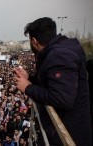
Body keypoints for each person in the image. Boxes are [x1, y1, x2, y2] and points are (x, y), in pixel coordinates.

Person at [14, 17, 92, 145]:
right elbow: (52, 83)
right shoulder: (59, 51)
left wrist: (28, 87)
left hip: (69, 135)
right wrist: (30, 78)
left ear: (34, 41)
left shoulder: (59, 56)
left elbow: (62, 98)